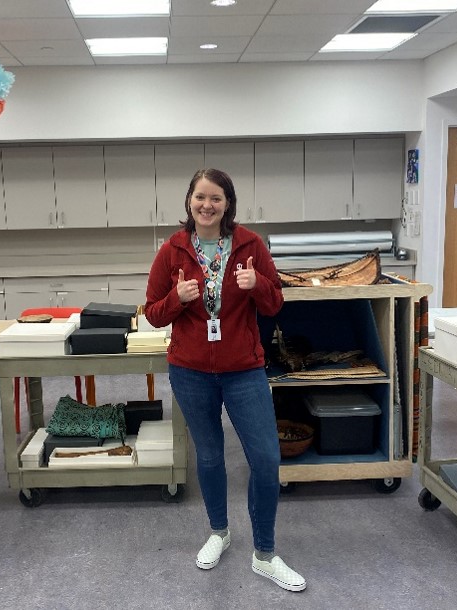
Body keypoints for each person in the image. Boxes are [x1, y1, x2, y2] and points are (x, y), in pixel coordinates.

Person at [145, 168, 306, 592]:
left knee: (267, 461)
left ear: (228, 204)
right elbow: (153, 313)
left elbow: (275, 305)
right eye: (200, 197)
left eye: (216, 198)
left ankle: (265, 554)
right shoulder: (173, 252)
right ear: (189, 201)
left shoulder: (251, 245)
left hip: (244, 371)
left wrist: (256, 286)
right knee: (211, 458)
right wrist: (175, 300)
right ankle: (219, 532)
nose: (207, 205)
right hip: (191, 371)